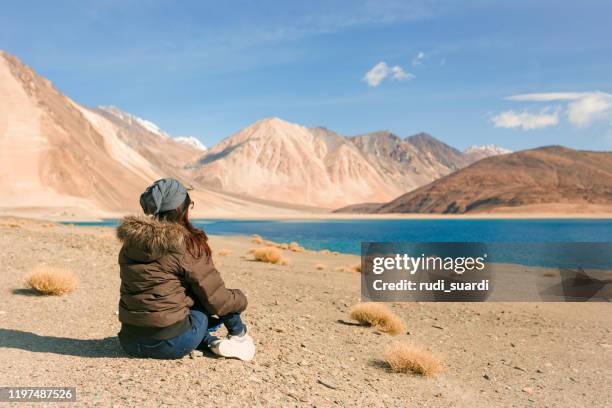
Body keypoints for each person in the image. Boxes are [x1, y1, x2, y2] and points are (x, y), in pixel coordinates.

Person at [116, 178, 255, 361]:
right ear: (183, 209)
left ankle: (210, 342)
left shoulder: (130, 243)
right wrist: (241, 298)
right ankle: (239, 337)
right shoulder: (185, 244)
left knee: (190, 293)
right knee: (209, 295)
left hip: (130, 341)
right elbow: (217, 298)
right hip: (171, 343)